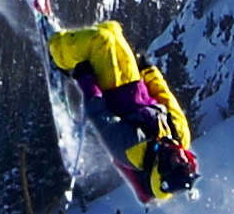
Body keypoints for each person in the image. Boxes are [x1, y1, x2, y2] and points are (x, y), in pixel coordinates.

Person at [47, 21, 200, 201]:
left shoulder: (134, 151)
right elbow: (165, 97)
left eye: (179, 165)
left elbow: (101, 115)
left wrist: (87, 81)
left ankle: (57, 51)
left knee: (101, 40)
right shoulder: (179, 135)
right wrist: (149, 71)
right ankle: (67, 48)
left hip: (111, 87)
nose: (183, 158)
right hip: (134, 82)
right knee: (113, 29)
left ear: (163, 169)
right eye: (188, 164)